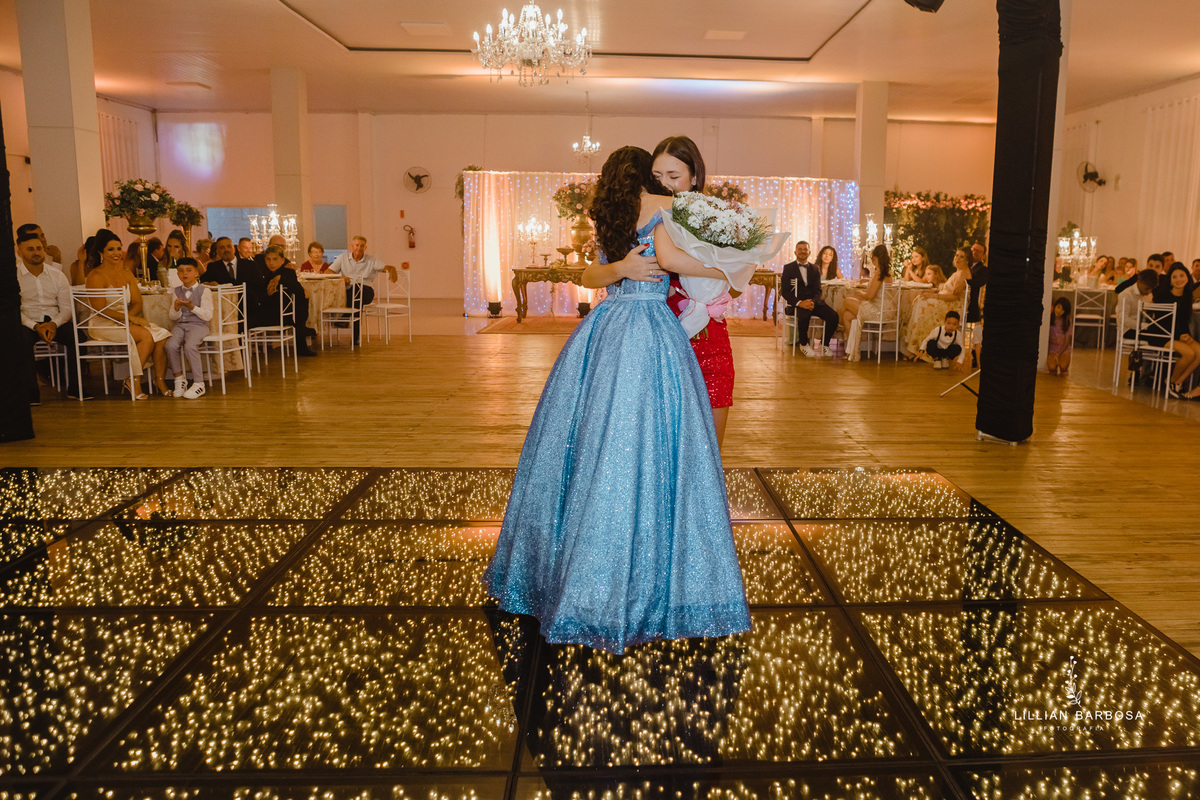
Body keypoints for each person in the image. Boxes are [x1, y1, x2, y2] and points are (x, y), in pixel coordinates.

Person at [486, 145, 751, 655]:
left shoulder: (610, 216)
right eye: (653, 174)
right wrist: (732, 269)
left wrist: (623, 267)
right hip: (649, 329)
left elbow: (587, 276)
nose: (660, 182)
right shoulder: (661, 206)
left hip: (606, 328)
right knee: (650, 438)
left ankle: (574, 569)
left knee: (594, 439)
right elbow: (673, 259)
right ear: (641, 177)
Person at [640, 135, 737, 446]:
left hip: (712, 338)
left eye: (674, 176)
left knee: (710, 449)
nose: (665, 185)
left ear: (695, 176)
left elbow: (735, 287)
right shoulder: (650, 216)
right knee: (665, 445)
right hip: (664, 336)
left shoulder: (717, 218)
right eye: (657, 177)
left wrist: (718, 288)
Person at [84, 229, 171, 398]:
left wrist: (129, 317)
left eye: (118, 248)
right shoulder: (96, 276)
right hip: (103, 323)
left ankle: (159, 379)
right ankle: (133, 380)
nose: (117, 253)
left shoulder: (126, 273)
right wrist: (128, 319)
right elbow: (99, 309)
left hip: (124, 320)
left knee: (161, 335)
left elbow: (138, 302)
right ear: (101, 252)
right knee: (146, 336)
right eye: (111, 249)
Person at [17, 231, 81, 401]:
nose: (36, 252)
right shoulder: (13, 276)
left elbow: (67, 308)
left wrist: (53, 324)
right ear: (19, 252)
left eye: (39, 248)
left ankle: (76, 387)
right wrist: (35, 326)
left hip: (54, 321)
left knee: (77, 336)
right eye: (30, 249)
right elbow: (14, 310)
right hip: (27, 323)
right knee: (20, 340)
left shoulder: (57, 275)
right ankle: (31, 393)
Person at [328, 235, 398, 345]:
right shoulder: (343, 257)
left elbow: (385, 267)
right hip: (350, 292)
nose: (359, 248)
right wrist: (341, 277)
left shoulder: (371, 260)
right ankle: (355, 338)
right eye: (357, 245)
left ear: (365, 248)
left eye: (362, 246)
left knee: (357, 289)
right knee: (356, 301)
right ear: (352, 246)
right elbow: (329, 272)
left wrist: (392, 268)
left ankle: (345, 319)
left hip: (366, 291)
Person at [247, 244, 316, 356]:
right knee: (245, 319)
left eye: (275, 259)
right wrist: (268, 294)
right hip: (269, 313)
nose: (271, 263)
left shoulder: (288, 273)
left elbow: (298, 291)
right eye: (268, 259)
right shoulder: (262, 274)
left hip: (282, 315)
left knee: (301, 297)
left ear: (282, 260)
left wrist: (279, 278)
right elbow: (260, 298)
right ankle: (302, 330)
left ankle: (301, 329)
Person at [901, 250, 967, 361]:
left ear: (967, 260)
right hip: (944, 298)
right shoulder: (957, 273)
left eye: (961, 257)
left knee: (923, 304)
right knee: (920, 299)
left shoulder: (963, 273)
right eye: (956, 255)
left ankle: (919, 348)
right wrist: (931, 294)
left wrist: (935, 297)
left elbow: (955, 296)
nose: (957, 259)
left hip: (952, 304)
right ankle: (915, 347)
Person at [780, 240, 838, 357]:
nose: (802, 252)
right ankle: (803, 343)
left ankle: (824, 344)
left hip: (813, 302)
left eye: (805, 249)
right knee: (804, 315)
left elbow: (818, 290)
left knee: (833, 316)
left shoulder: (815, 268)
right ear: (795, 252)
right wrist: (800, 303)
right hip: (796, 304)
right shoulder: (788, 268)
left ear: (809, 252)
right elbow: (785, 292)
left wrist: (812, 302)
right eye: (800, 249)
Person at [165, 258, 212, 399]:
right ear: (177, 274)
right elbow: (172, 317)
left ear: (196, 272)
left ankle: (199, 383)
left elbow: (208, 315)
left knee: (190, 346)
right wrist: (176, 308)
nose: (185, 274)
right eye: (181, 271)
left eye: (189, 270)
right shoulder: (176, 291)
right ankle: (179, 378)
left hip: (199, 325)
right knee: (170, 345)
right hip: (180, 325)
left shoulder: (205, 290)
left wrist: (193, 307)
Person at [1151, 264, 1199, 398]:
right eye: (1174, 277)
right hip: (1161, 334)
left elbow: (1183, 321)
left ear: (1187, 277)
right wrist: (1179, 336)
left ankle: (1178, 382)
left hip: (1177, 335)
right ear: (1170, 280)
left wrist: (1186, 335)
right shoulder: (1163, 295)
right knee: (1189, 353)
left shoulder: (1187, 295)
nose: (1179, 279)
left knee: (1199, 352)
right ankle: (1170, 381)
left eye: (1182, 275)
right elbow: (1161, 323)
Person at [840, 244, 894, 362]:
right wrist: (867, 282)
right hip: (882, 308)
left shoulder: (880, 273)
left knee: (847, 301)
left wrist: (859, 292)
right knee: (847, 316)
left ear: (877, 258)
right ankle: (852, 351)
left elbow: (870, 296)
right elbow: (875, 290)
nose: (873, 262)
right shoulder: (886, 272)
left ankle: (837, 327)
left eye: (874, 259)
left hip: (878, 311)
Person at [1046, 296, 1073, 376]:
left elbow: (1067, 340)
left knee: (1063, 367)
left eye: (1063, 310)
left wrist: (1059, 353)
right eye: (1058, 307)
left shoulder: (1067, 322)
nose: (1059, 311)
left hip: (1064, 349)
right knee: (1052, 368)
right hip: (1052, 348)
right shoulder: (1049, 319)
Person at [967, 241, 988, 323]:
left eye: (978, 251)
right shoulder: (964, 265)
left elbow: (975, 283)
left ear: (983, 256)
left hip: (970, 306)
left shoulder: (983, 270)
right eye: (973, 249)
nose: (974, 252)